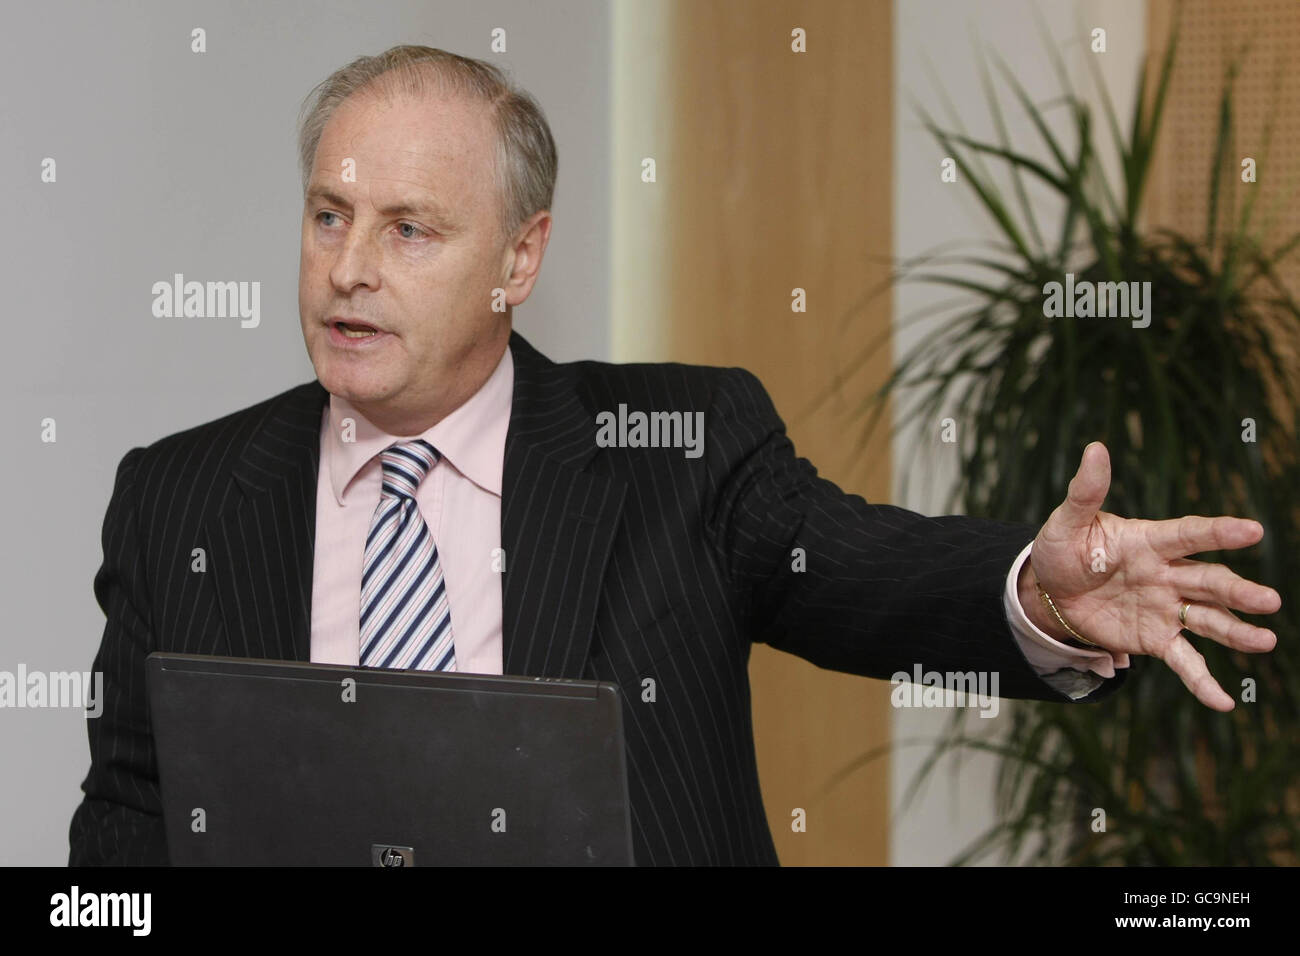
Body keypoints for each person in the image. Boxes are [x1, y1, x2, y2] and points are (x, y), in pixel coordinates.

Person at [68, 45, 1282, 866]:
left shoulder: (678, 453)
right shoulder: (179, 493)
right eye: (328, 214)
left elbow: (865, 574)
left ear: (518, 261)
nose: (348, 267)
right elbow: (121, 829)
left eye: (409, 229)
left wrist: (1032, 590)